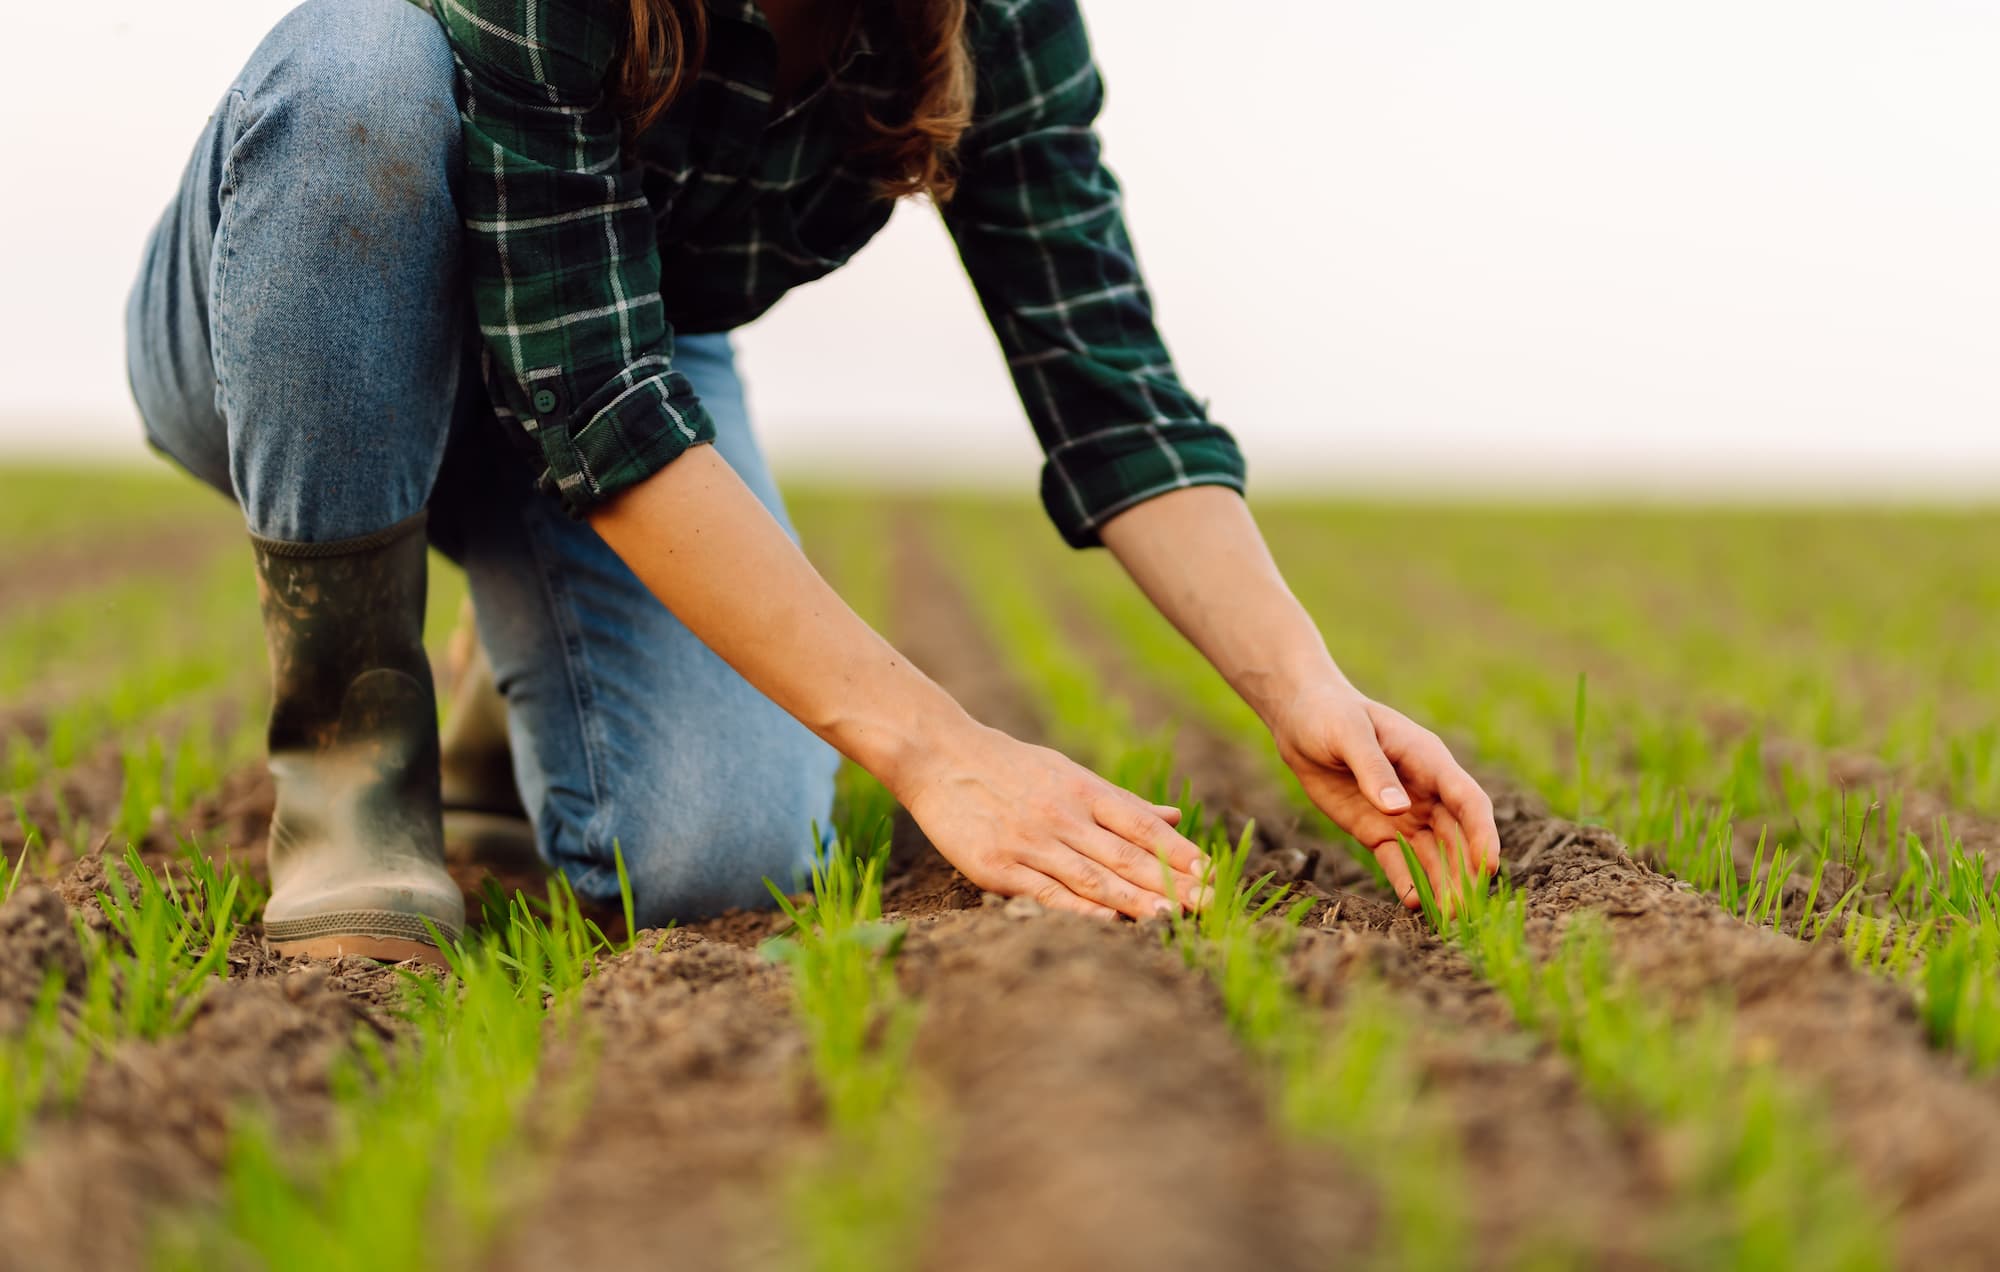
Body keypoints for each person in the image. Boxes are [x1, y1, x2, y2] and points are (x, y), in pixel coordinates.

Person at [125, 0, 1500, 965]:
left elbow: (1107, 382)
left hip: (611, 340)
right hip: (297, 310)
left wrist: (1302, 685)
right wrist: (944, 753)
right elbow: (594, 402)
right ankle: (351, 767)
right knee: (362, 63)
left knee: (718, 854)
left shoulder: (990, 15)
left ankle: (512, 668)